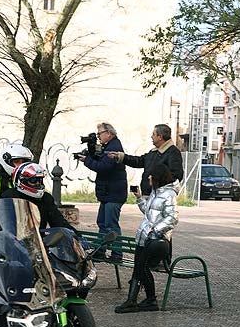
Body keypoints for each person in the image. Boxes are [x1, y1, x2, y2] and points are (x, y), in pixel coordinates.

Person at [114, 163, 179, 314]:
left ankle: (149, 300)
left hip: (157, 241)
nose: (149, 177)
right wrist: (139, 198)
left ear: (158, 177)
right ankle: (134, 300)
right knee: (138, 268)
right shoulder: (155, 193)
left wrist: (154, 231)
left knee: (141, 268)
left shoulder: (169, 194)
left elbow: (172, 218)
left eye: (151, 175)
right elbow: (149, 213)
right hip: (144, 238)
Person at [79, 122, 126, 263]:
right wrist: (90, 154)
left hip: (113, 194)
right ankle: (100, 251)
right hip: (108, 193)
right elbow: (100, 160)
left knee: (111, 224)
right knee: (102, 223)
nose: (98, 136)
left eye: (100, 134)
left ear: (109, 133)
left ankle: (117, 254)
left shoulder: (114, 148)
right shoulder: (108, 146)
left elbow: (104, 167)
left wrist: (87, 160)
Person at [112, 124, 184, 196]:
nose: (151, 137)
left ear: (160, 137)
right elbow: (139, 161)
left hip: (161, 195)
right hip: (148, 195)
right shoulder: (154, 152)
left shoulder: (173, 152)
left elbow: (176, 175)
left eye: (153, 134)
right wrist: (121, 156)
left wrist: (157, 183)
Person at [0, 162, 72, 229]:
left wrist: (76, 236)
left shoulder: (46, 198)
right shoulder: (8, 196)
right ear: (21, 181)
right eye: (33, 180)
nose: (38, 183)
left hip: (39, 240)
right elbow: (0, 223)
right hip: (12, 239)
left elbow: (59, 222)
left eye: (40, 180)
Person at [0, 143, 33, 210]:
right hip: (1, 219)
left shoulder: (30, 181)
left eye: (24, 162)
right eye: (17, 161)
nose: (21, 165)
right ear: (7, 162)